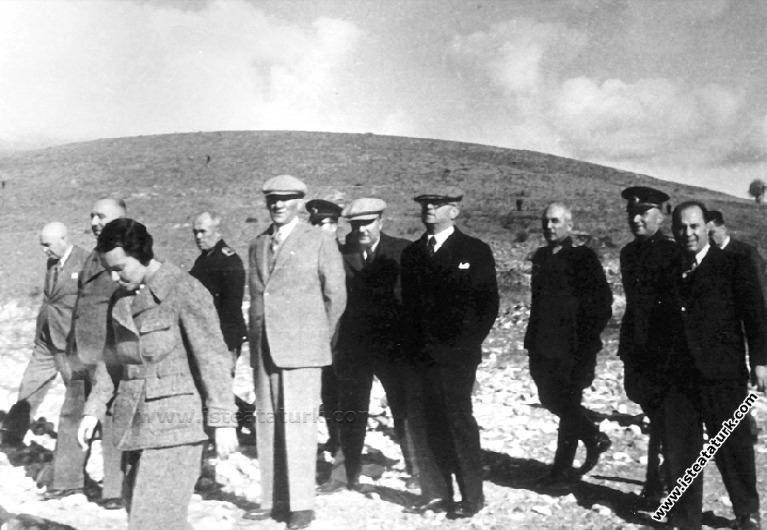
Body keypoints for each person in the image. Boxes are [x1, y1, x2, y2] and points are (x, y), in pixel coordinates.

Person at [77, 218, 238, 530]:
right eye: (109, 270)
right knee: (146, 516)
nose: (114, 277)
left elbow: (213, 358)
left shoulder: (183, 289)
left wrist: (224, 420)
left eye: (120, 268)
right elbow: (111, 363)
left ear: (142, 255)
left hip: (176, 427)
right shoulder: (121, 299)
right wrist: (93, 410)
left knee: (151, 521)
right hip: (135, 426)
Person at [244, 175, 346, 530]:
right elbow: (258, 296)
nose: (278, 204)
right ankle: (273, 500)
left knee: (299, 425)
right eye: (272, 199)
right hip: (264, 347)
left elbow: (336, 295)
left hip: (303, 348)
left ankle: (301, 505)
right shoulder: (258, 244)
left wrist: (317, 337)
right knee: (267, 423)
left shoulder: (318, 240)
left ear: (299, 203)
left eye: (286, 199)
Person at [663, 201, 766, 529]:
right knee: (681, 448)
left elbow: (756, 316)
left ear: (707, 227)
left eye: (694, 226)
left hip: (723, 373)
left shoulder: (733, 263)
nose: (688, 233)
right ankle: (685, 518)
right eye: (681, 227)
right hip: (680, 375)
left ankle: (747, 513)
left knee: (733, 445)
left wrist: (761, 362)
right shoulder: (670, 268)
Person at [400, 185, 499, 519]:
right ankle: (437, 493)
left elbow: (488, 305)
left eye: (438, 203)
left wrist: (465, 345)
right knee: (425, 424)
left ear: (454, 211)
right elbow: (407, 307)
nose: (429, 208)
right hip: (419, 356)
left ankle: (472, 496)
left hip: (456, 357)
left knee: (458, 422)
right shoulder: (412, 253)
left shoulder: (474, 250)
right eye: (426, 203)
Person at [318, 198, 414, 494]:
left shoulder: (402, 251)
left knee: (404, 406)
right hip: (354, 346)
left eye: (368, 223)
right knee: (350, 409)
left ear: (381, 222)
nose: (361, 229)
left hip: (393, 346)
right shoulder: (339, 253)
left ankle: (419, 469)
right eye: (356, 224)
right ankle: (344, 473)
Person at [42, 199, 127, 508]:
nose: (94, 222)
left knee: (112, 418)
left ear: (120, 218)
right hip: (81, 350)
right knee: (71, 414)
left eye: (101, 216)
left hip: (109, 352)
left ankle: (115, 490)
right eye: (92, 216)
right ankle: (66, 480)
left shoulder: (127, 253)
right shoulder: (95, 253)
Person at [524, 202, 613, 488]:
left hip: (572, 348)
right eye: (546, 221)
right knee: (550, 398)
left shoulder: (583, 257)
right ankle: (591, 435)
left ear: (569, 225)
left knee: (570, 403)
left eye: (555, 221)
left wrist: (587, 340)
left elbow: (602, 303)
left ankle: (560, 471)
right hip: (541, 344)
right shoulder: (540, 257)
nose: (549, 227)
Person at [618, 186, 680, 506]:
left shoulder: (673, 253)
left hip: (664, 349)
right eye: (632, 214)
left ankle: (663, 481)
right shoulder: (628, 253)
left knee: (666, 416)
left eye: (643, 213)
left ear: (660, 216)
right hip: (636, 346)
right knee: (649, 409)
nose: (637, 219)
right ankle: (659, 477)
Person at [1, 223, 89, 448]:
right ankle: (12, 435)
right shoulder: (52, 262)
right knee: (30, 384)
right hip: (46, 338)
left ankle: (87, 434)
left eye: (48, 245)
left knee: (77, 392)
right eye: (42, 245)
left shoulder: (85, 261)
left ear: (63, 239)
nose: (44, 250)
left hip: (69, 342)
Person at [189, 211, 252, 439]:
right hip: (206, 336)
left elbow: (230, 308)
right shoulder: (204, 259)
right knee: (207, 384)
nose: (198, 237)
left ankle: (240, 420)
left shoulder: (228, 260)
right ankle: (243, 417)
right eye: (195, 232)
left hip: (222, 337)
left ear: (218, 231)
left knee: (218, 384)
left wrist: (220, 342)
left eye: (202, 231)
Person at [707, 210, 764, 444]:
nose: (710, 238)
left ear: (723, 228)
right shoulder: (707, 255)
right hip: (721, 331)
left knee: (744, 380)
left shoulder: (744, 253)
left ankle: (744, 427)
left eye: (712, 232)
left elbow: (759, 295)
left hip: (747, 325)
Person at [305, 197, 344, 457]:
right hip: (319, 337)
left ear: (335, 226)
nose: (318, 229)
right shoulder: (310, 256)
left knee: (343, 391)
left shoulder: (345, 254)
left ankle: (346, 446)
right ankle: (335, 438)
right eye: (314, 224)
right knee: (327, 391)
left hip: (344, 336)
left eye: (323, 224)